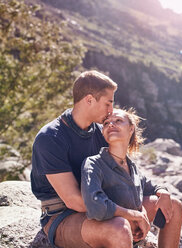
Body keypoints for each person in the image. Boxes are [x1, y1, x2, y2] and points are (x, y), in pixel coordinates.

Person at [31, 70, 131, 248]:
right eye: (108, 104)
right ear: (89, 100)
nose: (111, 111)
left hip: (99, 203)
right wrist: (128, 213)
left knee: (167, 205)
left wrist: (155, 194)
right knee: (119, 228)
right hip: (61, 215)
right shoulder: (50, 138)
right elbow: (74, 201)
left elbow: (124, 175)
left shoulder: (100, 133)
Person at [81, 108, 182, 247]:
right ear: (103, 133)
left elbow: (150, 186)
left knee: (174, 204)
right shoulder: (93, 163)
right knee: (121, 225)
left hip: (129, 224)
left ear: (131, 129)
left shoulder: (131, 166)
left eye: (118, 121)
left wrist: (163, 191)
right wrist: (134, 216)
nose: (110, 124)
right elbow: (95, 206)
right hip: (109, 228)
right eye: (106, 123)